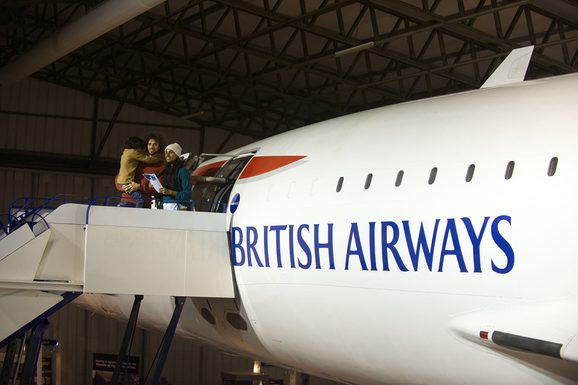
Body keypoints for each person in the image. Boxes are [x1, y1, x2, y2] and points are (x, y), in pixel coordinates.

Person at [117, 133, 166, 208]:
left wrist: (140, 187)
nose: (152, 147)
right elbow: (120, 177)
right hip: (127, 201)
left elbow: (158, 190)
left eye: (155, 144)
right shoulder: (136, 158)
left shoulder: (161, 166)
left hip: (144, 204)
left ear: (159, 147)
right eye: (149, 144)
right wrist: (122, 187)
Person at [159, 143, 192, 210]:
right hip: (166, 206)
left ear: (177, 155)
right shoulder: (166, 170)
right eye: (165, 153)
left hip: (179, 207)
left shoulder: (183, 171)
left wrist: (170, 192)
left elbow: (187, 195)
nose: (167, 155)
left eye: (170, 152)